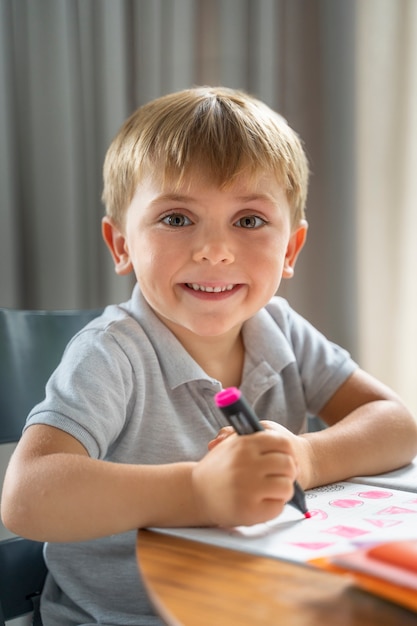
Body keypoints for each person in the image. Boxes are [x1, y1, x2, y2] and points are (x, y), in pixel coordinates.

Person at [2, 86, 417, 626]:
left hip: (250, 603)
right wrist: (200, 489)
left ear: (289, 249)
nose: (215, 250)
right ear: (122, 244)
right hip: (121, 617)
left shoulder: (280, 327)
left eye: (248, 220)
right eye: (176, 218)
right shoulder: (113, 353)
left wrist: (307, 459)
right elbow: (27, 496)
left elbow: (396, 424)